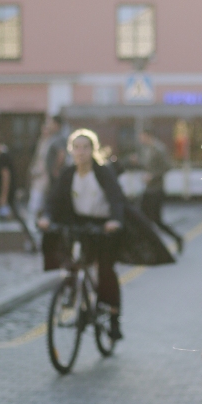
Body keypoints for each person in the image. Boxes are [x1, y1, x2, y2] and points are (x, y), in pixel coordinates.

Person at [39, 129, 175, 340]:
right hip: (80, 223)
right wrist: (47, 216)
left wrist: (115, 220)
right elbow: (54, 199)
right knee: (72, 262)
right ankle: (75, 292)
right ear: (71, 151)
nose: (81, 152)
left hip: (104, 225)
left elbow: (115, 198)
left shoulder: (102, 172)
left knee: (105, 269)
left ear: (92, 150)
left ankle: (113, 317)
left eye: (85, 147)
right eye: (77, 148)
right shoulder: (68, 173)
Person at [138, 129, 184, 253]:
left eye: (142, 136)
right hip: (148, 189)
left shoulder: (159, 149)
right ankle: (149, 245)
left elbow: (167, 166)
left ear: (148, 135)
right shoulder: (147, 149)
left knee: (155, 220)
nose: (140, 139)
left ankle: (176, 238)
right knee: (144, 218)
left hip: (156, 189)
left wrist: (153, 176)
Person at [27, 115, 66, 233]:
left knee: (39, 203)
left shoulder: (58, 139)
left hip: (46, 178)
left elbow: (61, 155)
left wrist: (55, 169)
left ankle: (37, 230)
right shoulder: (47, 140)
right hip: (41, 177)